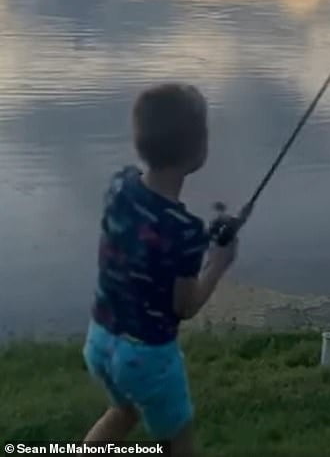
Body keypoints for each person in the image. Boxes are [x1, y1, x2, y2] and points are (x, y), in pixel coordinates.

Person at [82, 83, 239, 456]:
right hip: (147, 356)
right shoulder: (183, 230)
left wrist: (201, 238)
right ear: (198, 150)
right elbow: (185, 307)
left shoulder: (119, 186)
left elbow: (146, 234)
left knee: (123, 412)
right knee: (177, 443)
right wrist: (217, 264)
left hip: (101, 341)